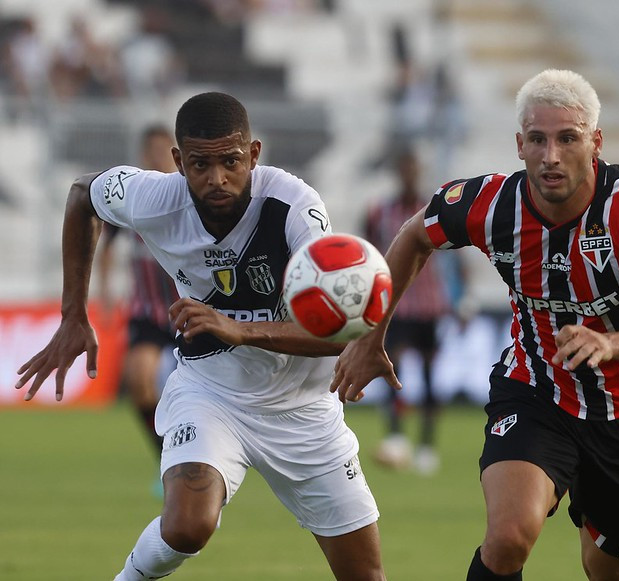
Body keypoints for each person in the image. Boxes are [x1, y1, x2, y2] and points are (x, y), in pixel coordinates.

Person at [330, 69, 619, 580]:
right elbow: (413, 235)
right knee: (507, 539)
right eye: (537, 139)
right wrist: (372, 337)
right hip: (535, 390)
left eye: (567, 138)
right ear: (519, 144)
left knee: (610, 572)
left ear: (595, 142)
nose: (551, 155)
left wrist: (612, 342)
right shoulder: (492, 205)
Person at [15, 91, 386, 581]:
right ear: (177, 161)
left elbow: (343, 332)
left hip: (304, 408)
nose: (216, 179)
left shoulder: (293, 207)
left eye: (231, 162)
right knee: (189, 525)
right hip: (212, 394)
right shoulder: (154, 197)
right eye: (199, 165)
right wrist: (72, 314)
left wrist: (240, 329)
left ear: (253, 154)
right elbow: (84, 194)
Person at [96, 125, 180, 495]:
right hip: (149, 311)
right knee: (138, 381)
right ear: (144, 155)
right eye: (152, 151)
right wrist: (105, 293)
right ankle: (166, 459)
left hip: (191, 309)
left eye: (164, 151)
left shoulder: (187, 199)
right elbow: (106, 244)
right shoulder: (130, 204)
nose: (157, 158)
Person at [363, 148, 451, 475]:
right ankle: (397, 438)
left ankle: (427, 446)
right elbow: (369, 253)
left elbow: (455, 257)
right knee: (392, 371)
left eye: (413, 168)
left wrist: (462, 297)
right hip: (396, 305)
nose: (409, 175)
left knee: (429, 377)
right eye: (404, 169)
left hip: (429, 306)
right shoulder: (379, 212)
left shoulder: (434, 210)